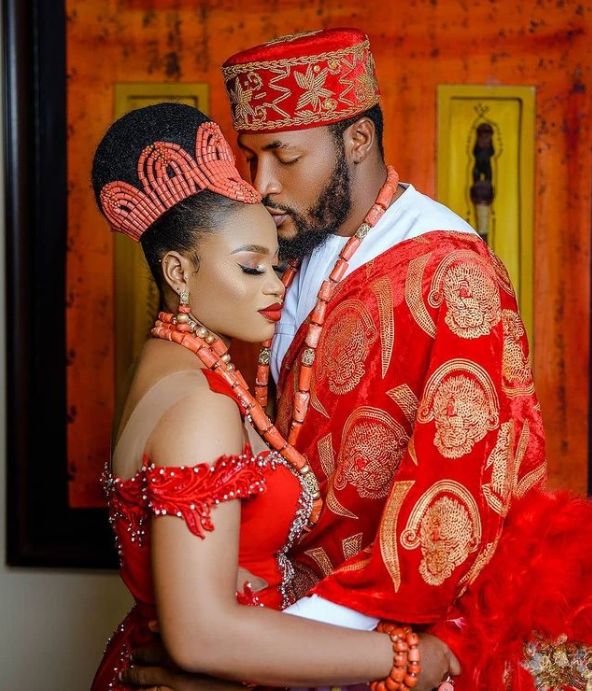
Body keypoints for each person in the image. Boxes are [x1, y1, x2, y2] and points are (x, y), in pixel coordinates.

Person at [123, 28, 592, 691]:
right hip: (268, 630)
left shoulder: (451, 277)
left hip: (389, 645)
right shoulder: (274, 254)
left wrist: (255, 667)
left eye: (284, 156)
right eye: (251, 157)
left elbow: (446, 524)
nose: (261, 184)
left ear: (358, 141)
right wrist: (234, 641)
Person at [91, 102, 459, 691]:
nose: (273, 288)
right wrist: (404, 659)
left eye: (275, 265)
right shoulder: (197, 405)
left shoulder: (171, 369)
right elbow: (202, 634)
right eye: (250, 266)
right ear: (179, 273)